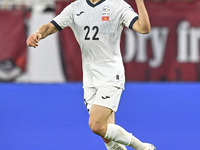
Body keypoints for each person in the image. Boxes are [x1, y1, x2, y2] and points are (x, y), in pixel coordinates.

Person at [26, 0, 155, 149]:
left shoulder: (117, 5)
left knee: (96, 125)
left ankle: (142, 147)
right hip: (89, 78)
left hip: (110, 74)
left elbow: (144, 28)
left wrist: (139, 2)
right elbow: (50, 26)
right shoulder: (75, 8)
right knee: (106, 132)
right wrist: (38, 34)